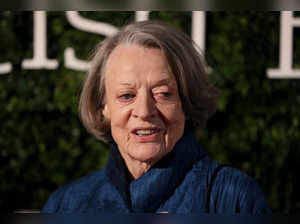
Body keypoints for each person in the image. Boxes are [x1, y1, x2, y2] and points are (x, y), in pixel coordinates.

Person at [42, 20, 271, 214]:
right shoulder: (65, 205)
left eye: (163, 94)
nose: (144, 111)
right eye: (126, 95)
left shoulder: (233, 199)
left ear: (186, 101)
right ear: (104, 107)